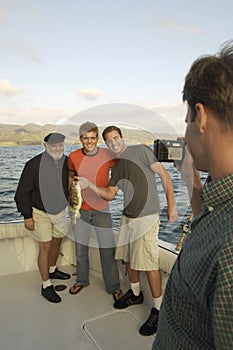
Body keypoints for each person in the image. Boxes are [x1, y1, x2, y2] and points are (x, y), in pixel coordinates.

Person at [152, 41, 233, 349]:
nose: (185, 132)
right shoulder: (221, 203)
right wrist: (191, 180)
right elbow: (211, 224)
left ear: (201, 116)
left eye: (186, 120)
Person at [79, 125, 178, 336]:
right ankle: (135, 294)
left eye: (116, 138)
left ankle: (158, 310)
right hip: (127, 217)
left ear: (121, 138)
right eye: (109, 140)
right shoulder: (117, 167)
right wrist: (88, 184)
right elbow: (109, 194)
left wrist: (172, 205)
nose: (113, 142)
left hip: (147, 216)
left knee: (150, 264)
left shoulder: (141, 151)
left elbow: (164, 176)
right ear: (106, 143)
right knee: (127, 259)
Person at [68, 122, 122, 301]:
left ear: (97, 139)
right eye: (85, 138)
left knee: (107, 250)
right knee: (81, 249)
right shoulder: (73, 156)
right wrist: (71, 188)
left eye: (92, 138)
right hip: (81, 210)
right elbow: (70, 174)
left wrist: (143, 149)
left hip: (102, 210)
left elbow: (124, 156)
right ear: (81, 139)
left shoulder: (107, 155)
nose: (89, 141)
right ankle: (81, 280)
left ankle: (113, 286)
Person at [14, 132, 71, 303]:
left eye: (60, 145)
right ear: (45, 145)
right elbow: (21, 193)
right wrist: (27, 216)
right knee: (45, 247)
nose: (57, 148)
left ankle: (52, 270)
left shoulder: (67, 162)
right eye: (53, 145)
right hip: (40, 213)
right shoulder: (33, 165)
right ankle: (46, 285)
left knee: (57, 241)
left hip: (61, 212)